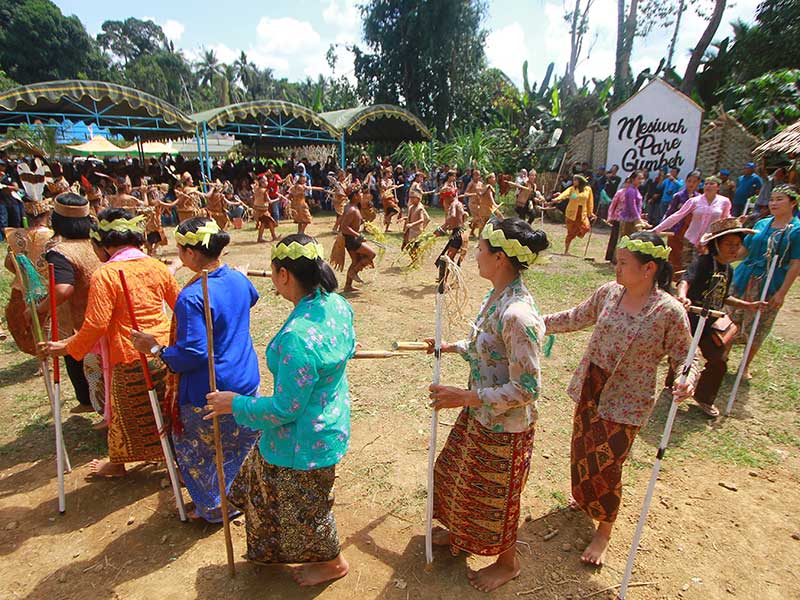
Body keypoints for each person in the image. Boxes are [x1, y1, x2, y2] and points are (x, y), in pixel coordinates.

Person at [205, 234, 355, 587]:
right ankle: (271, 550)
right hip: (327, 424)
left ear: (284, 275)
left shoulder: (297, 338)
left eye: (274, 273)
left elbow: (285, 409)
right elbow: (346, 348)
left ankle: (334, 563)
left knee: (308, 509)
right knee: (272, 489)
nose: (273, 279)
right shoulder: (336, 305)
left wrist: (234, 404)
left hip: (302, 442)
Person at [543, 231, 692, 566]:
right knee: (582, 450)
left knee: (608, 465)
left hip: (627, 398)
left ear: (649, 268)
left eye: (623, 262)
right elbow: (575, 316)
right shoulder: (609, 293)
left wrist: (687, 380)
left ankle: (604, 531)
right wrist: (537, 323)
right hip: (592, 386)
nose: (616, 267)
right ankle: (583, 498)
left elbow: (687, 357)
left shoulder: (667, 311)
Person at [426, 218, 548, 592]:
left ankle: (508, 563)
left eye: (480, 249)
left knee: (497, 496)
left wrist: (465, 397)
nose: (474, 255)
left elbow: (527, 388)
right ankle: (461, 535)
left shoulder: (518, 314)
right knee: (456, 476)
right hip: (478, 414)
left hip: (505, 426)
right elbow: (487, 348)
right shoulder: (495, 297)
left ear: (499, 258)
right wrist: (452, 347)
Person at [131, 218, 260, 521]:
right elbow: (250, 299)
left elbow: (192, 353)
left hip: (210, 388)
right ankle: (235, 495)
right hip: (244, 378)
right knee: (237, 443)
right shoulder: (238, 279)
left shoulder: (191, 297)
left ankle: (215, 507)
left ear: (190, 254)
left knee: (198, 449)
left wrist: (154, 347)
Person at [41, 207, 180, 478]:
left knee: (125, 414)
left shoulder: (105, 275)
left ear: (103, 246)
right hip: (162, 351)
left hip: (128, 354)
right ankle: (167, 459)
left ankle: (118, 463)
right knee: (165, 409)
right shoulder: (156, 266)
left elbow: (96, 325)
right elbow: (180, 307)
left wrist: (66, 347)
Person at [675, 218, 759, 417]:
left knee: (719, 360)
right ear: (716, 244)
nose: (733, 249)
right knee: (681, 356)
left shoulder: (728, 270)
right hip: (690, 319)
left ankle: (704, 397)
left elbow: (724, 297)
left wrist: (749, 305)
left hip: (710, 323)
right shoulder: (703, 263)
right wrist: (682, 296)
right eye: (729, 244)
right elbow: (685, 281)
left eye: (737, 245)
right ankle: (673, 386)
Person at [729, 184, 800, 379]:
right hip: (745, 277)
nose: (774, 203)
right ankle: (722, 356)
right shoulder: (761, 224)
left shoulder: (796, 230)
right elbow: (745, 251)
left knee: (759, 325)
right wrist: (725, 255)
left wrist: (782, 292)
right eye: (772, 199)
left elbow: (795, 264)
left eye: (779, 199)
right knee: (731, 317)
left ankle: (744, 366)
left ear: (793, 202)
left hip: (771, 282)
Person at [4, 197, 53, 356]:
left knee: (27, 326)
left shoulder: (16, 236)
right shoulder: (53, 235)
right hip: (48, 288)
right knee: (46, 324)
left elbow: (8, 263)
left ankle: (41, 358)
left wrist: (23, 274)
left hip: (21, 288)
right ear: (48, 213)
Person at [653, 176, 731, 269]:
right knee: (687, 269)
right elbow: (677, 216)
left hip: (710, 241)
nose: (708, 186)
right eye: (706, 184)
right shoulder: (694, 201)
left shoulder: (724, 201)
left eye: (711, 184)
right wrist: (657, 229)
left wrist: (737, 221)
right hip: (691, 239)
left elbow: (726, 218)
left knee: (705, 269)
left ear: (718, 187)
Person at [332, 186, 377, 292]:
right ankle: (354, 272)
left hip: (351, 238)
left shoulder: (353, 206)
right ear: (355, 196)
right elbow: (344, 227)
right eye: (360, 193)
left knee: (355, 260)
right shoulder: (351, 209)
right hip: (351, 240)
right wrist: (358, 235)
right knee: (371, 254)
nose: (362, 195)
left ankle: (348, 286)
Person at [659, 170, 702, 273]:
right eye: (689, 181)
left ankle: (684, 277)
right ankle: (672, 276)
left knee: (688, 255)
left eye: (694, 182)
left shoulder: (700, 198)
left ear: (699, 183)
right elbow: (670, 213)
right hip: (677, 230)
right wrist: (663, 227)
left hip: (692, 231)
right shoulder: (678, 196)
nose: (691, 184)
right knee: (674, 253)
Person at [552, 174, 595, 255]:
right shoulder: (572, 189)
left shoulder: (588, 189)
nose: (573, 182)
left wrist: (590, 212)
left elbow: (590, 202)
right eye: (573, 180)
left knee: (586, 227)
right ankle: (566, 251)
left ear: (580, 181)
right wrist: (557, 199)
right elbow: (564, 194)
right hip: (571, 214)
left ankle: (577, 233)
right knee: (570, 233)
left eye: (575, 180)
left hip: (582, 213)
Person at [604, 176, 630, 263]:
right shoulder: (620, 193)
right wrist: (610, 217)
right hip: (618, 218)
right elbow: (613, 205)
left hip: (628, 220)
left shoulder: (634, 194)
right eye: (628, 182)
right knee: (615, 238)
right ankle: (611, 257)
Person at [252, 175, 279, 242]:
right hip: (262, 211)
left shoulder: (256, 189)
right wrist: (278, 199)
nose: (267, 182)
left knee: (265, 223)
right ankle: (272, 237)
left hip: (258, 210)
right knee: (269, 222)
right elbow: (269, 201)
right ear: (261, 183)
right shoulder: (264, 191)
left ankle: (270, 236)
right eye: (265, 181)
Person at [380, 167, 402, 232]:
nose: (390, 174)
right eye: (389, 173)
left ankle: (387, 228)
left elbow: (392, 191)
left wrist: (395, 198)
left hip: (390, 196)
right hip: (385, 198)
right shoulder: (382, 180)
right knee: (394, 210)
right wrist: (392, 186)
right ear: (386, 174)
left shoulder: (391, 181)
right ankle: (387, 218)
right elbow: (384, 187)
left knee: (391, 211)